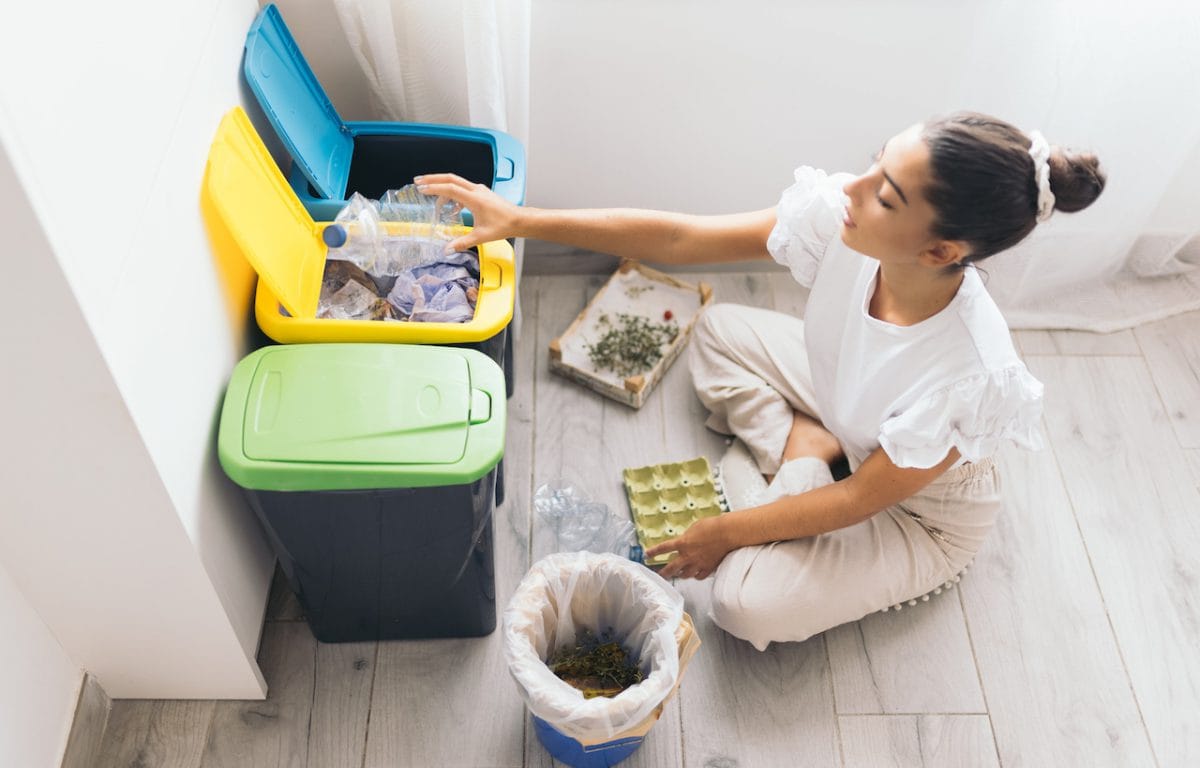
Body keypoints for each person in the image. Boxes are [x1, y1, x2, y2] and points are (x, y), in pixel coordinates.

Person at [415, 111, 1105, 650]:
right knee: (717, 334)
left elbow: (861, 499)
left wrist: (727, 530)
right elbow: (686, 241)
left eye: (884, 195)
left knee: (742, 605)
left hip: (914, 511)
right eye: (874, 164)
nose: (852, 190)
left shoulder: (969, 371)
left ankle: (803, 453)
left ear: (940, 251)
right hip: (852, 411)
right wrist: (521, 220)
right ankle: (807, 447)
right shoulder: (847, 219)